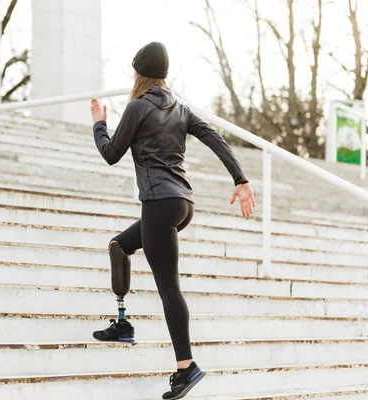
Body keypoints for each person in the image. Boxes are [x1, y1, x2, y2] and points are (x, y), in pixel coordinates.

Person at [90, 42, 256, 400]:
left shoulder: (137, 108)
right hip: (182, 203)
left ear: (139, 74)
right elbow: (215, 138)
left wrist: (99, 124)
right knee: (120, 246)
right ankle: (122, 324)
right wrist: (239, 179)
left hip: (159, 204)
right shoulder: (180, 109)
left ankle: (186, 367)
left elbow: (110, 154)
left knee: (170, 288)